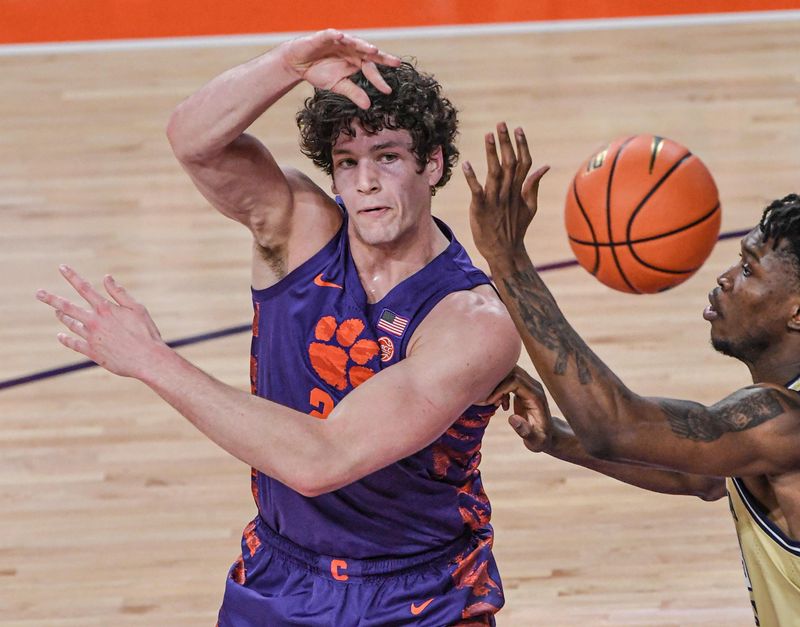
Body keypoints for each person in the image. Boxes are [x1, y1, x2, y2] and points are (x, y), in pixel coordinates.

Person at [36, 30, 520, 626]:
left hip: (417, 593)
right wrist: (288, 63)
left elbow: (323, 460)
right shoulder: (300, 229)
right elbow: (193, 141)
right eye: (348, 163)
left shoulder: (470, 321)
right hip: (281, 571)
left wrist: (151, 359)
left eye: (388, 157)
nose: (364, 181)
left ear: (434, 163)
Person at [463, 122, 800, 625]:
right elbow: (701, 474)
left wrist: (507, 259)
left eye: (749, 270)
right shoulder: (767, 429)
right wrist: (558, 437)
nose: (726, 278)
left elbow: (616, 425)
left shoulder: (781, 422)